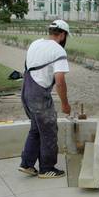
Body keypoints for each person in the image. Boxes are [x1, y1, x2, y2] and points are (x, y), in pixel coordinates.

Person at [19, 20, 71, 179]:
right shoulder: (58, 51)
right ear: (62, 35)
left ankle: (27, 164)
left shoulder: (35, 44)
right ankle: (47, 168)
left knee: (36, 128)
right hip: (39, 96)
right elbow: (60, 81)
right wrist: (65, 104)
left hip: (26, 90)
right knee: (49, 131)